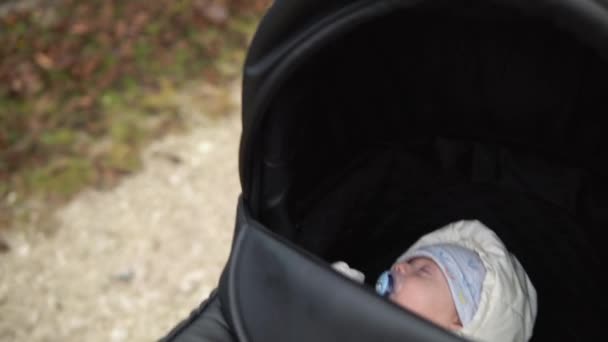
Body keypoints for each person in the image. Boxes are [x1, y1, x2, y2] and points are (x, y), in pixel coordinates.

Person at [333, 220, 537, 342]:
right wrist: (340, 291)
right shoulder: (367, 316)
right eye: (410, 262)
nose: (399, 266)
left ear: (457, 321)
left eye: (423, 271)